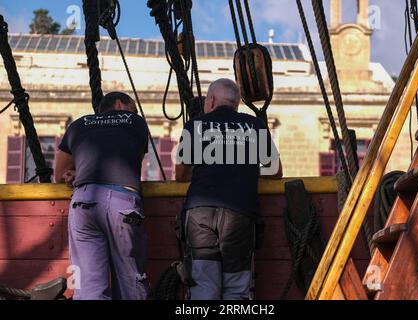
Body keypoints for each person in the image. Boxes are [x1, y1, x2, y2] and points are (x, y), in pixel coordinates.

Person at [175, 79, 282, 300]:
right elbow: (275, 171)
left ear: (211, 100)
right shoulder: (254, 125)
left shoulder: (194, 126)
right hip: (240, 212)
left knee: (203, 286)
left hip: (200, 213)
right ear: (237, 103)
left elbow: (180, 175)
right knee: (236, 288)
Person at [55, 92, 150, 300]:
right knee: (130, 284)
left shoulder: (78, 125)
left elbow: (60, 173)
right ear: (120, 104)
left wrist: (77, 172)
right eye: (133, 108)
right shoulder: (136, 122)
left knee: (88, 287)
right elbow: (130, 157)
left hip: (83, 200)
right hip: (122, 201)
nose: (135, 113)